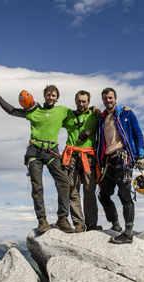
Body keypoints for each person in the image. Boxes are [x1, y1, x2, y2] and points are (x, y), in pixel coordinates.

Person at [0, 84, 75, 235]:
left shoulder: (62, 111)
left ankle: (62, 219)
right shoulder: (33, 110)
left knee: (64, 182)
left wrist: (95, 109)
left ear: (57, 98)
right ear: (44, 96)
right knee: (37, 187)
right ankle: (42, 220)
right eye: (48, 95)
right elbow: (12, 111)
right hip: (34, 151)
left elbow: (80, 114)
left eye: (53, 95)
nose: (51, 97)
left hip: (51, 151)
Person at [96, 87, 144, 244]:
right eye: (105, 98)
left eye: (110, 98)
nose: (108, 100)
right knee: (103, 195)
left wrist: (141, 155)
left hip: (123, 158)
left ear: (115, 98)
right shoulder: (102, 118)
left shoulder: (126, 113)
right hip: (109, 161)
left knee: (124, 194)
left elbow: (138, 133)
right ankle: (116, 225)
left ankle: (129, 232)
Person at [61, 90, 102, 232]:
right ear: (75, 101)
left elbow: (110, 116)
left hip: (88, 156)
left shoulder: (95, 115)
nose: (81, 103)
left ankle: (91, 224)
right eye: (79, 101)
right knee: (73, 190)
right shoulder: (68, 116)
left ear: (89, 102)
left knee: (89, 191)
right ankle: (79, 223)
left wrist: (96, 108)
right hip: (71, 156)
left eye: (84, 101)